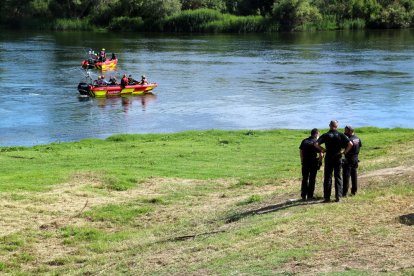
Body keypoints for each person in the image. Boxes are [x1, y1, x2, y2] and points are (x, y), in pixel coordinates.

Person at [315, 120, 353, 202]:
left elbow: (316, 144)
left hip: (329, 156)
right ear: (337, 126)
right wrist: (344, 152)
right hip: (337, 156)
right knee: (338, 176)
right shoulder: (340, 135)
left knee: (328, 177)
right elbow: (350, 144)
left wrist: (323, 149)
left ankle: (327, 197)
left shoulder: (326, 135)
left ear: (329, 125)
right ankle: (338, 197)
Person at [299, 128, 324, 201]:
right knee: (312, 179)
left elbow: (301, 151)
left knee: (305, 178)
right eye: (318, 134)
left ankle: (303, 195)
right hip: (313, 162)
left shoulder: (304, 141)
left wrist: (302, 160)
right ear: (316, 134)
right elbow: (321, 153)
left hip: (305, 162)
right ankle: (310, 195)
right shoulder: (316, 143)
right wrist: (320, 161)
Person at [342, 125, 362, 196]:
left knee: (346, 176)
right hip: (355, 158)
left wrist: (344, 152)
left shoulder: (349, 139)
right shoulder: (357, 138)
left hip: (348, 159)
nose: (344, 132)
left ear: (350, 131)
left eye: (345, 131)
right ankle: (354, 191)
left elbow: (349, 146)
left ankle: (344, 193)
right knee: (354, 175)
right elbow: (359, 146)